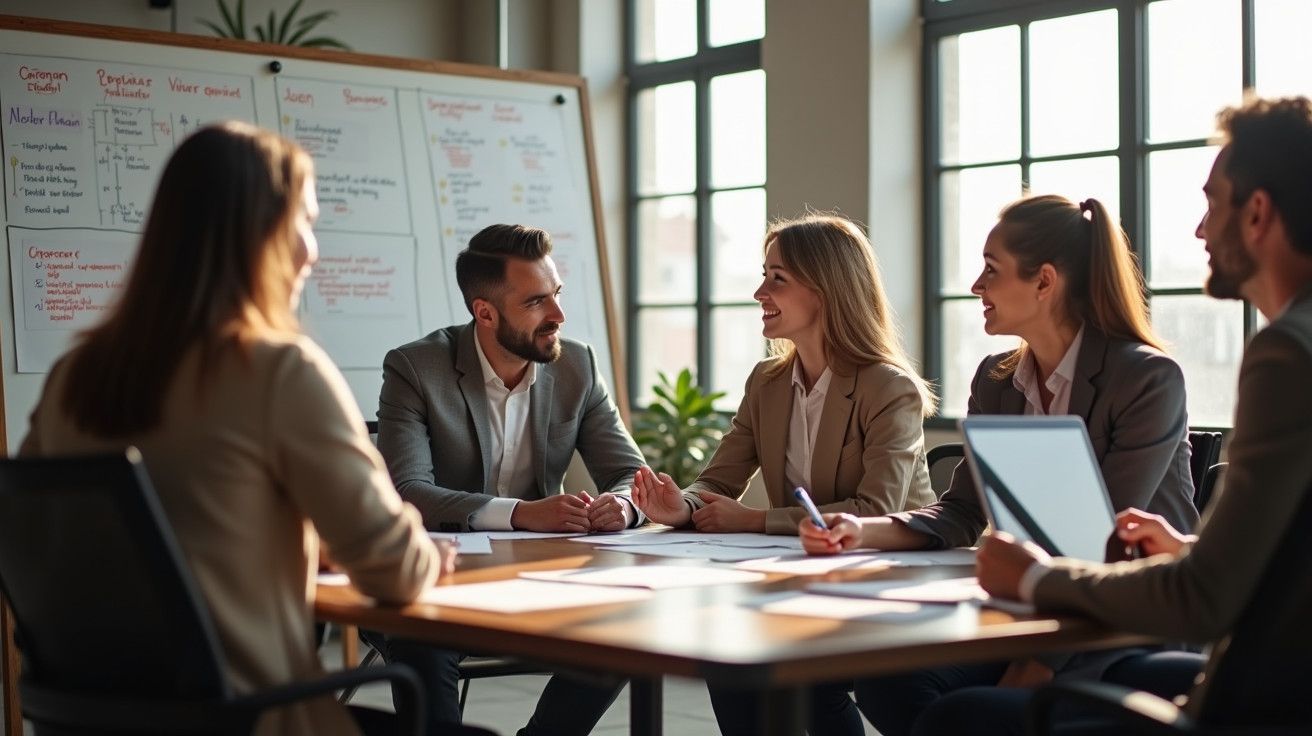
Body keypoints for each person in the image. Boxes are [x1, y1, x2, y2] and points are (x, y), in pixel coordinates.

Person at [18, 122, 450, 735]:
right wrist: (428, 551)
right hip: (251, 719)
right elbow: (393, 570)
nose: (312, 249)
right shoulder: (277, 369)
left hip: (100, 721)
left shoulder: (72, 375)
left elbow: (64, 545)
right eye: (304, 221)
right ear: (260, 234)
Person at [933, 95, 1312, 736]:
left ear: (1257, 213)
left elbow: (1203, 599)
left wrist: (1036, 578)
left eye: (1210, 203)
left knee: (955, 719)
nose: (1198, 230)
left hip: (1253, 707)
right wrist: (1191, 547)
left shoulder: (1287, 354)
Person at [799, 195, 1199, 736]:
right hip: (1030, 608)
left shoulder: (1147, 379)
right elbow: (961, 511)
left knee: (959, 714)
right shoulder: (996, 381)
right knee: (885, 680)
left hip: (1118, 621)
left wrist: (1030, 671)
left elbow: (1107, 540)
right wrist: (861, 530)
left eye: (991, 270)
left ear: (1045, 281)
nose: (975, 287)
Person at [633, 213, 938, 736]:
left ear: (826, 291)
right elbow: (720, 478)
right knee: (727, 653)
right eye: (763, 275)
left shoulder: (889, 388)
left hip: (886, 577)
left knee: (803, 678)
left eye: (778, 279)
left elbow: (878, 512)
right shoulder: (768, 382)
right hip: (805, 572)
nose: (759, 292)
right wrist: (682, 506)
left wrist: (755, 522)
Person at [371, 223, 645, 734]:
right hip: (441, 575)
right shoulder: (415, 367)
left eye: (557, 295)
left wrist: (624, 505)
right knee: (423, 636)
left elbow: (631, 474)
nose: (558, 316)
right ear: (486, 313)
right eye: (537, 302)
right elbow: (407, 492)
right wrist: (520, 513)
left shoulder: (577, 366)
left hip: (541, 577)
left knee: (626, 624)